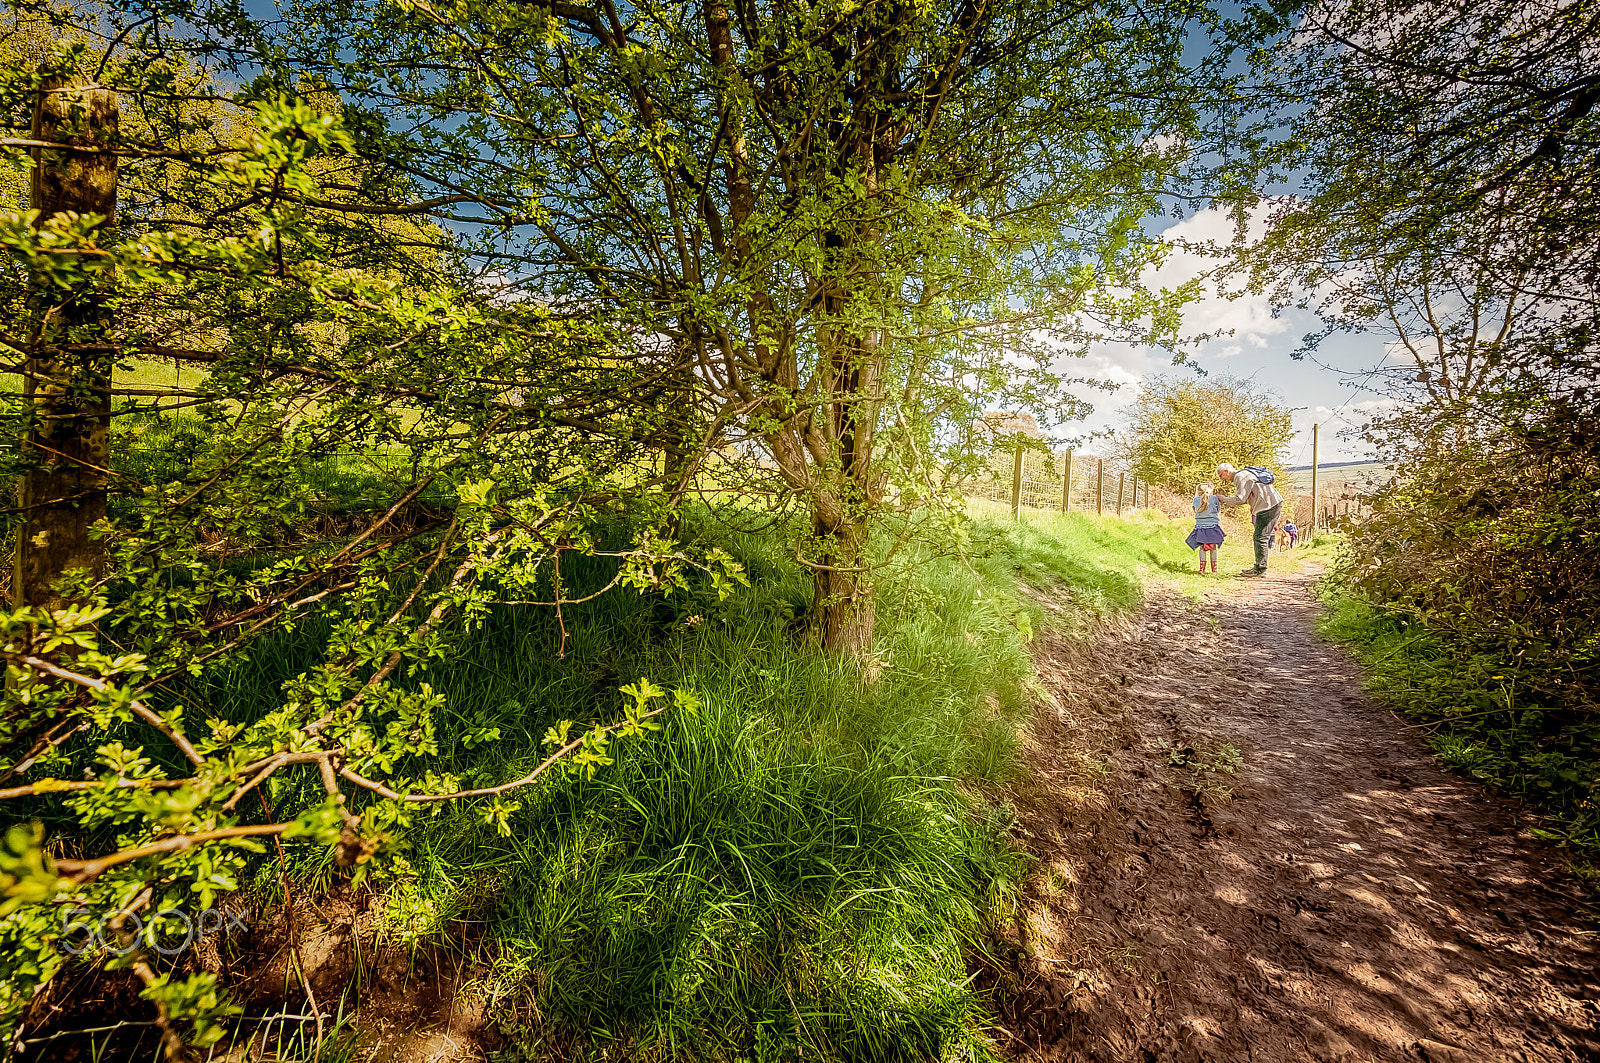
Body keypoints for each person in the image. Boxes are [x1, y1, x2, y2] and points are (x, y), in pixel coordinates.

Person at [1217, 462, 1283, 577]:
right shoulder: (1244, 474)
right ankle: (1258, 567)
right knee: (1260, 537)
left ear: (1227, 471)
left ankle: (1260, 569)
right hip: (1271, 504)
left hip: (1267, 506)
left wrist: (1223, 499)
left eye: (1221, 475)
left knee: (1260, 537)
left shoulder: (1239, 476)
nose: (1221, 478)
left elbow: (1240, 499)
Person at [1185, 482, 1225, 573]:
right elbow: (1218, 510)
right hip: (1213, 526)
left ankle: (1202, 569)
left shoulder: (1195, 500)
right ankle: (1214, 570)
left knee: (1202, 548)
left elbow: (1195, 510)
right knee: (1213, 548)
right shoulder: (1214, 498)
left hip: (1200, 527)